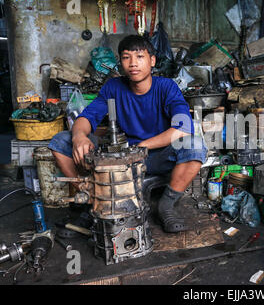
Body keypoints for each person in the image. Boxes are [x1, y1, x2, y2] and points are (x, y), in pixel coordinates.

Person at [48, 35, 208, 233]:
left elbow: (183, 127)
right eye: (126, 57)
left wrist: (141, 147)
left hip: (155, 157)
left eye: (140, 56)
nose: (133, 63)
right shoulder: (113, 87)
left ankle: (166, 205)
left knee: (194, 145)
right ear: (121, 62)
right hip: (121, 158)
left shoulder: (166, 87)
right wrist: (79, 136)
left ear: (152, 60)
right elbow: (87, 118)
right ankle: (92, 199)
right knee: (61, 141)